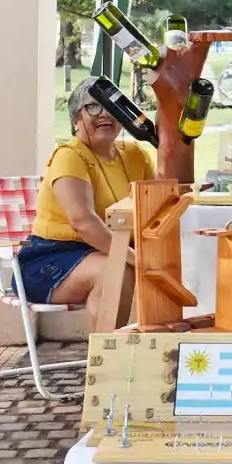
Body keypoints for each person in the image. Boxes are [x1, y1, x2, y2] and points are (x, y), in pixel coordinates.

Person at [14, 77, 156, 329]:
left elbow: (158, 205)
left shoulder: (136, 155)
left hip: (110, 250)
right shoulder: (69, 156)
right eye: (93, 107)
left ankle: (155, 347)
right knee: (116, 269)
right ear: (76, 119)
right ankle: (106, 361)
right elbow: (83, 222)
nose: (105, 114)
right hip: (51, 258)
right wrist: (137, 258)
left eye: (112, 106)